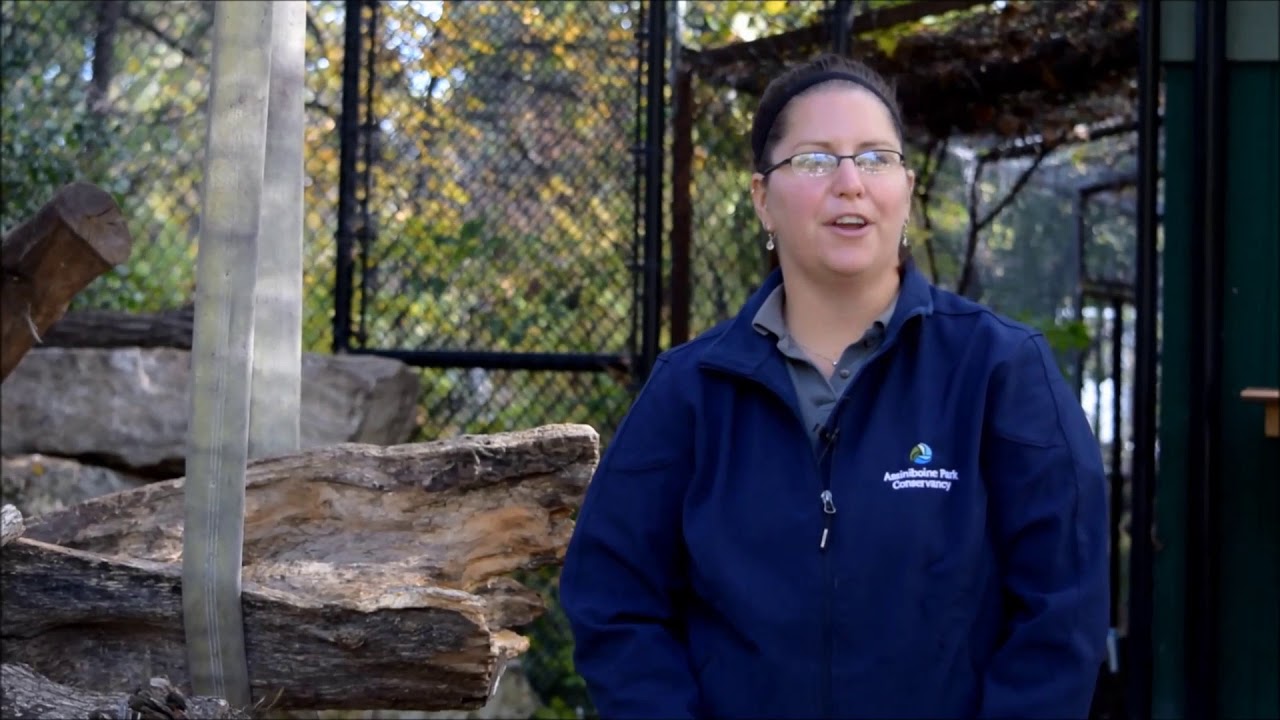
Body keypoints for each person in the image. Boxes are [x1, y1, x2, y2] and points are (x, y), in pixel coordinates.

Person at [559, 53, 1109, 719]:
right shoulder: (690, 391)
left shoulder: (1001, 370)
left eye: (875, 158)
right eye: (817, 160)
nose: (850, 183)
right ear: (763, 197)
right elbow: (613, 599)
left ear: (905, 189)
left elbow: (1062, 613)